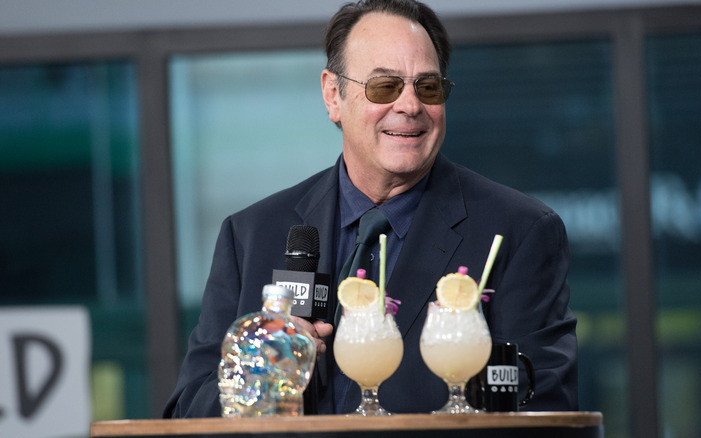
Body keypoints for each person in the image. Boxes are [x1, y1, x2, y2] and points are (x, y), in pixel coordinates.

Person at [164, 0, 577, 417]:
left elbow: (546, 409)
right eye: (385, 87)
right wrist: (262, 378)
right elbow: (186, 411)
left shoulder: (518, 232)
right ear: (333, 95)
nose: (411, 106)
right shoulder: (251, 235)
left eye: (429, 87)